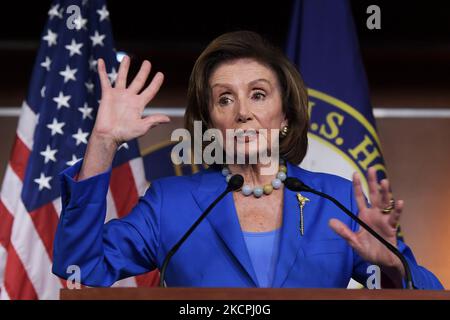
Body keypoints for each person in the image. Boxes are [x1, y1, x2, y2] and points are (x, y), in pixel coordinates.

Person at [52, 31, 442, 289]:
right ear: (210, 123)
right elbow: (80, 268)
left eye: (258, 94)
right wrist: (102, 142)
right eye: (224, 99)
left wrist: (394, 264)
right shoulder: (169, 203)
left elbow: (429, 294)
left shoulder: (336, 200)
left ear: (286, 115)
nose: (242, 112)